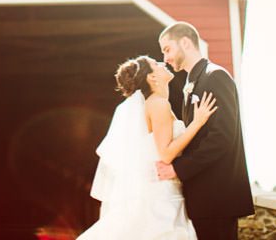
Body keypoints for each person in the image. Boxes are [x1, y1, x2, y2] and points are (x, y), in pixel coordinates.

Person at [79, 55, 217, 239]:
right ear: (151, 77)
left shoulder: (153, 104)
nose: (162, 63)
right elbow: (166, 154)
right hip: (160, 196)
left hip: (160, 189)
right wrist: (197, 123)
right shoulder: (158, 104)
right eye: (156, 64)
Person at [157, 21, 255, 240]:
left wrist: (178, 169)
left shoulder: (215, 76)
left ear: (185, 42)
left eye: (167, 49)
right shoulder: (190, 83)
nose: (165, 58)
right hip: (202, 199)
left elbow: (222, 137)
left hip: (217, 198)